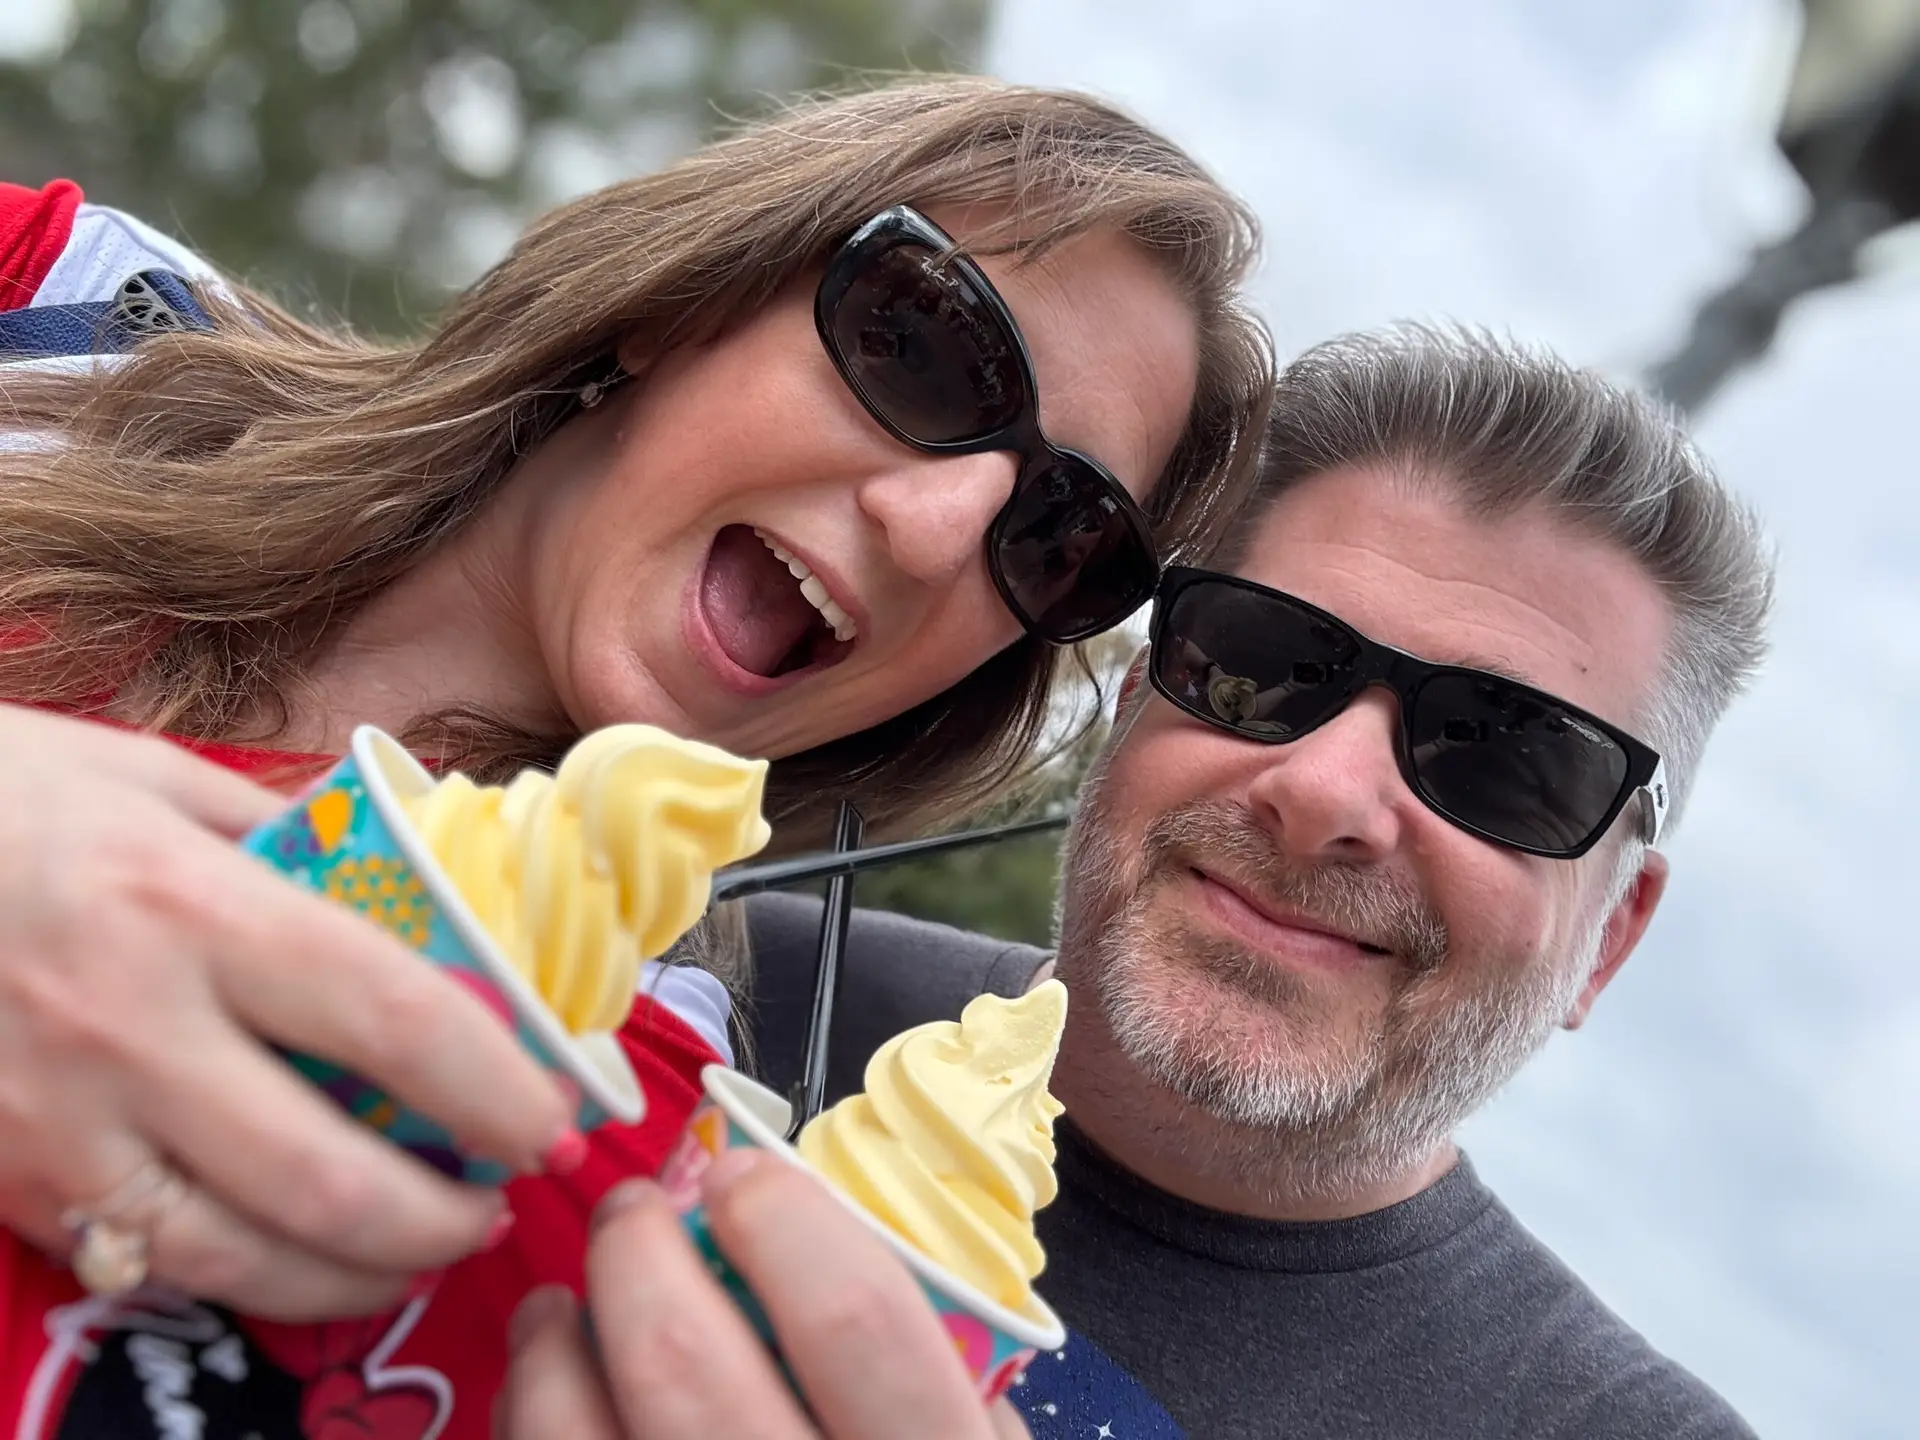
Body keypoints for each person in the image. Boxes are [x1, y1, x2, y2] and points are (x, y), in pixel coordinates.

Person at [0, 77, 1274, 1440]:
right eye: (930, 349)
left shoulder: (631, 1153)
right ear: (692, 298)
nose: (936, 527)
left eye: (1060, 539)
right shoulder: (69, 319)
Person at [746, 325, 1774, 1439]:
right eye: (1264, 663)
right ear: (1134, 703)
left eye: (1505, 758)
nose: (1327, 793)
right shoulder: (725, 988)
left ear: (1611, 939)